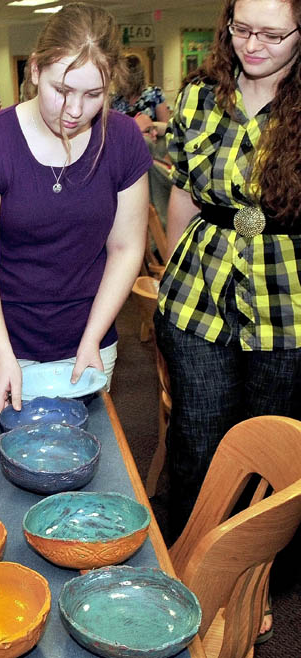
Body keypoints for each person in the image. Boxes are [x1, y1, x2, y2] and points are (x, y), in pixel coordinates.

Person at [0, 2, 151, 413]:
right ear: (35, 71)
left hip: (87, 337)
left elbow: (127, 248)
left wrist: (92, 337)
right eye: (61, 90)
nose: (75, 110)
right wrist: (2, 356)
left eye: (93, 94)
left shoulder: (124, 140)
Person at [154, 0, 301, 551]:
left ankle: (249, 577)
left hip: (288, 306)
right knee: (198, 437)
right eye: (241, 29)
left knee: (271, 447)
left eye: (272, 34)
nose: (252, 45)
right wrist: (172, 269)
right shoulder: (198, 96)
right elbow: (185, 196)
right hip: (200, 293)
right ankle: (188, 564)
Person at [111, 54, 171, 133]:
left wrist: (146, 126)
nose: (116, 79)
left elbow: (166, 127)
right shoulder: (116, 99)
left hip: (150, 142)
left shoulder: (154, 94)